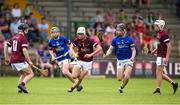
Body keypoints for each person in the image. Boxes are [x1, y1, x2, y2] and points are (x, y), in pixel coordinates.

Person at [103, 23, 136, 93]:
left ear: (124, 30)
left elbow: (133, 50)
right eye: (117, 30)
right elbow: (110, 49)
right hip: (120, 60)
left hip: (129, 60)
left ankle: (121, 87)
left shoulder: (130, 39)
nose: (117, 32)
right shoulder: (115, 39)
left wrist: (133, 57)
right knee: (119, 78)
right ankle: (124, 75)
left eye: (119, 30)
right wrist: (106, 54)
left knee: (127, 76)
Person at [69, 26, 102, 92]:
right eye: (78, 34)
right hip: (79, 60)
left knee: (80, 78)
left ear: (84, 34)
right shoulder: (77, 40)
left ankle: (72, 88)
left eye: (81, 34)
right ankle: (78, 77)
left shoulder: (90, 40)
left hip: (88, 62)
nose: (80, 35)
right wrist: (74, 54)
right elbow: (71, 47)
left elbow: (99, 48)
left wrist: (90, 54)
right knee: (73, 76)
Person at [4, 23, 34, 93]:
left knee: (24, 74)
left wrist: (6, 58)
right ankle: (22, 85)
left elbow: (6, 45)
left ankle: (20, 90)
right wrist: (29, 61)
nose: (27, 30)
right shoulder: (23, 38)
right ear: (24, 30)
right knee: (31, 74)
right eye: (26, 29)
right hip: (19, 60)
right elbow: (24, 50)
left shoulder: (14, 37)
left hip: (13, 61)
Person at [48, 27, 80, 91]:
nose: (54, 34)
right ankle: (77, 84)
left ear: (59, 33)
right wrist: (52, 56)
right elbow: (50, 49)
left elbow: (71, 44)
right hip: (59, 59)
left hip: (66, 57)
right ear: (51, 34)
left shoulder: (63, 38)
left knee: (65, 72)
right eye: (53, 33)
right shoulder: (50, 41)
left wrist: (70, 51)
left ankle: (76, 82)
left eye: (56, 32)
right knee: (67, 73)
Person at [152, 20, 178, 94]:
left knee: (159, 73)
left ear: (160, 26)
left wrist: (167, 57)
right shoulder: (158, 34)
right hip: (159, 55)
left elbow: (169, 46)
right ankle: (173, 84)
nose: (155, 27)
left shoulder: (164, 34)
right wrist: (155, 50)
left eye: (156, 26)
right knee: (159, 73)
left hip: (163, 56)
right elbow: (160, 44)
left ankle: (158, 89)